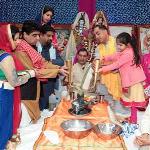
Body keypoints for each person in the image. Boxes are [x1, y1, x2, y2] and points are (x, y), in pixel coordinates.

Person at [14, 20, 67, 123]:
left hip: (33, 88)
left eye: (38, 35)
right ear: (24, 34)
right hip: (25, 91)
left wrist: (58, 68)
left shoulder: (29, 47)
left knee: (34, 118)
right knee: (26, 122)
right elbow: (35, 71)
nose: (37, 38)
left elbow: (43, 62)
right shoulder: (20, 51)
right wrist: (57, 71)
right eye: (34, 35)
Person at [0, 24, 35, 149]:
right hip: (4, 93)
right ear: (7, 39)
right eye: (15, 39)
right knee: (4, 122)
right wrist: (30, 74)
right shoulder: (6, 57)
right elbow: (14, 81)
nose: (18, 41)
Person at [98, 32, 147, 123]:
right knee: (132, 102)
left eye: (120, 45)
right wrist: (105, 58)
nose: (118, 47)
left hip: (134, 82)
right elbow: (115, 55)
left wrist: (102, 69)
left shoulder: (128, 53)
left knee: (133, 102)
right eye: (117, 45)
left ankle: (133, 120)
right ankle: (133, 118)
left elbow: (117, 64)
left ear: (127, 44)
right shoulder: (125, 51)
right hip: (130, 81)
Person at [37, 24, 64, 110]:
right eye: (48, 36)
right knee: (39, 108)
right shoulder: (35, 47)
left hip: (51, 83)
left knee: (49, 108)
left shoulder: (52, 48)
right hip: (39, 83)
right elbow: (39, 64)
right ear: (41, 35)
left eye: (52, 36)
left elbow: (61, 62)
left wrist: (49, 61)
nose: (51, 38)